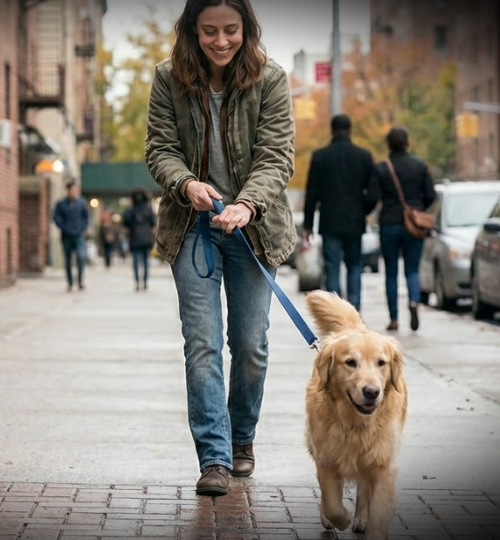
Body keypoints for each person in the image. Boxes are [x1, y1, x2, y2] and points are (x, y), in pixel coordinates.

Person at [145, 0, 296, 496]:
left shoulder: (270, 78)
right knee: (203, 344)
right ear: (193, 29)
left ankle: (241, 438)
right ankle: (214, 457)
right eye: (209, 31)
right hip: (192, 226)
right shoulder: (169, 77)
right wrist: (186, 183)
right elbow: (159, 148)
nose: (221, 41)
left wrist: (248, 204)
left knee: (250, 346)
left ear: (246, 28)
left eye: (230, 30)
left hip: (253, 229)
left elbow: (277, 156)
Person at [302, 113, 379, 311]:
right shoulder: (364, 156)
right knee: (354, 265)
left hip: (330, 221)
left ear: (332, 130)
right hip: (355, 220)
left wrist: (308, 225)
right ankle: (355, 309)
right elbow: (373, 192)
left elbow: (312, 193)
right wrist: (364, 209)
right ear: (350, 130)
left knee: (332, 266)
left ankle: (336, 312)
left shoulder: (320, 157)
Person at [368, 125, 436, 332]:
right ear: (407, 142)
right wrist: (417, 207)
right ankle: (414, 302)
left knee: (391, 272)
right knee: (412, 269)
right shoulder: (420, 166)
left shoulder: (381, 168)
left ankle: (394, 319)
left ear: (388, 144)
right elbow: (431, 195)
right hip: (413, 225)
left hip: (389, 223)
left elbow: (372, 196)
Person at [53, 181, 90, 291]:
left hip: (78, 235)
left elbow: (86, 218)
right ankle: (69, 282)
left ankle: (80, 280)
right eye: (71, 190)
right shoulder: (61, 204)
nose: (73, 192)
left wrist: (82, 228)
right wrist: (64, 228)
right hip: (66, 235)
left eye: (75, 190)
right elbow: (57, 218)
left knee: (80, 257)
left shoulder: (82, 203)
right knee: (68, 260)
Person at [123, 188, 157, 291]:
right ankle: (145, 281)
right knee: (146, 260)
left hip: (135, 237)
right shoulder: (148, 209)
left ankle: (137, 281)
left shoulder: (131, 210)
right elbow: (153, 223)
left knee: (136, 260)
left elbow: (126, 222)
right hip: (146, 237)